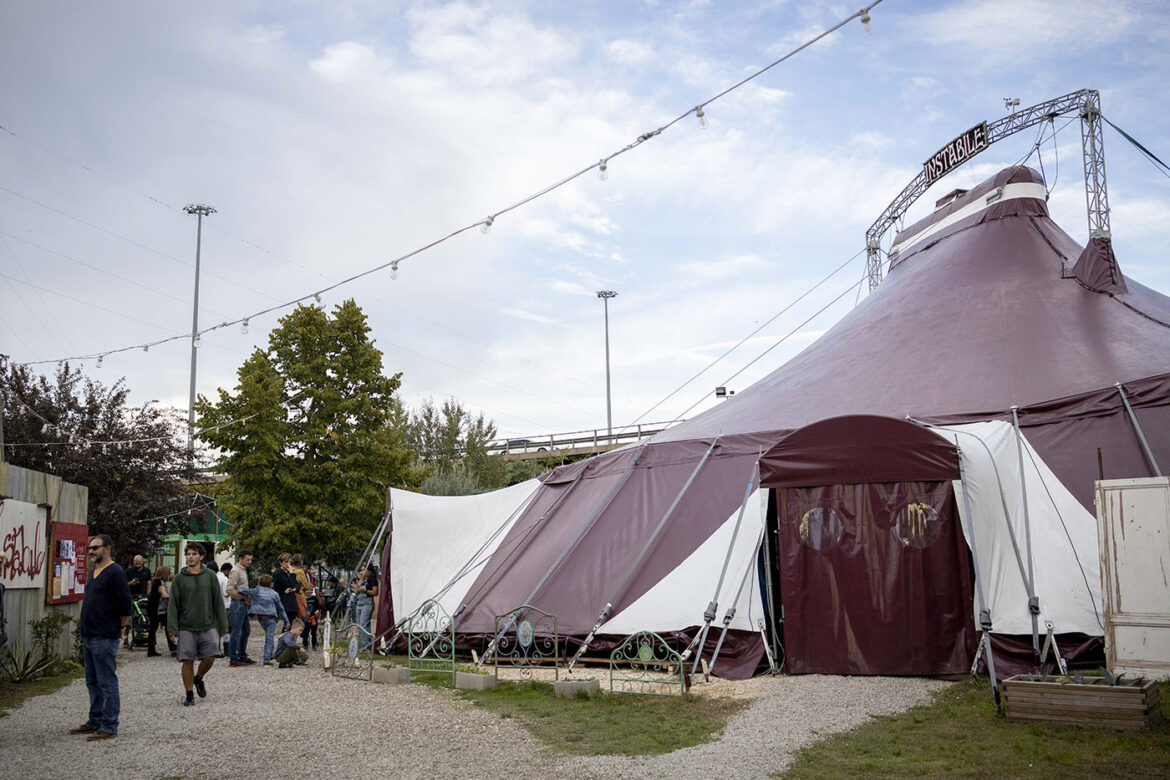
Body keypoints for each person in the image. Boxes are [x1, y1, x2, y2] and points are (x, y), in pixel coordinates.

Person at [70, 534, 131, 741]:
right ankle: (95, 720)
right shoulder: (95, 572)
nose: (91, 551)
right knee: (92, 681)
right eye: (89, 548)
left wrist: (121, 627)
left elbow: (125, 604)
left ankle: (109, 725)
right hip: (90, 634)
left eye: (95, 548)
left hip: (105, 635)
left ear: (108, 548)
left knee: (106, 681)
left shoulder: (115, 572)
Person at [167, 542, 229, 707]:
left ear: (201, 557)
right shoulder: (179, 579)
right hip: (186, 626)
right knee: (188, 660)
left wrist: (223, 625)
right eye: (188, 554)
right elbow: (173, 604)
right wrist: (172, 628)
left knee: (211, 655)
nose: (190, 557)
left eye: (194, 554)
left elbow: (217, 601)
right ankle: (189, 694)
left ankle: (199, 678)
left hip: (207, 624)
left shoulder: (210, 576)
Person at [238, 573, 290, 666]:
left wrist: (239, 592)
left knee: (269, 635)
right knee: (269, 637)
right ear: (271, 584)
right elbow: (281, 608)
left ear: (259, 582)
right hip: (272, 617)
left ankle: (270, 656)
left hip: (261, 618)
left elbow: (242, 590)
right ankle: (267, 659)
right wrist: (286, 621)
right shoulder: (274, 594)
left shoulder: (256, 590)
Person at [225, 550, 256, 666]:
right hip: (237, 603)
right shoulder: (235, 571)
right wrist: (243, 597)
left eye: (250, 559)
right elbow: (229, 590)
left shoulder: (243, 570)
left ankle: (242, 654)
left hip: (243, 604)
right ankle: (233, 657)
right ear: (240, 559)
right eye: (247, 559)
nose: (250, 562)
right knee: (236, 631)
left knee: (246, 630)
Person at [145, 566, 175, 657]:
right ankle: (172, 647)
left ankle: (151, 650)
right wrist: (174, 598)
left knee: (153, 629)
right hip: (159, 610)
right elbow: (164, 594)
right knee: (168, 627)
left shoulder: (156, 581)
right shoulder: (160, 582)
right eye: (168, 573)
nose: (169, 575)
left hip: (154, 609)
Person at [351, 564, 379, 650]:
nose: (362, 572)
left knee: (364, 624)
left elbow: (375, 593)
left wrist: (365, 590)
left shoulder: (373, 580)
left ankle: (366, 645)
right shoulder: (362, 580)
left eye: (364, 570)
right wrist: (361, 579)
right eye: (362, 570)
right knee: (360, 625)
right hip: (359, 603)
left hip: (367, 603)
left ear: (369, 571)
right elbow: (356, 590)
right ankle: (364, 643)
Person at [272, 553, 300, 629]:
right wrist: (292, 574)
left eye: (289, 562)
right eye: (286, 562)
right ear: (280, 563)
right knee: (287, 624)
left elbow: (297, 584)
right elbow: (289, 583)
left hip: (292, 601)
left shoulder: (288, 573)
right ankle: (284, 639)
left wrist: (294, 589)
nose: (288, 564)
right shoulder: (278, 573)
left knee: (293, 623)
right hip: (284, 601)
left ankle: (290, 639)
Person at [217, 562, 232, 657]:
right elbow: (226, 593)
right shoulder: (224, 579)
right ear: (227, 570)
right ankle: (227, 649)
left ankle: (216, 649)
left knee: (217, 628)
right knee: (227, 628)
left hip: (217, 606)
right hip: (226, 606)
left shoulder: (215, 577)